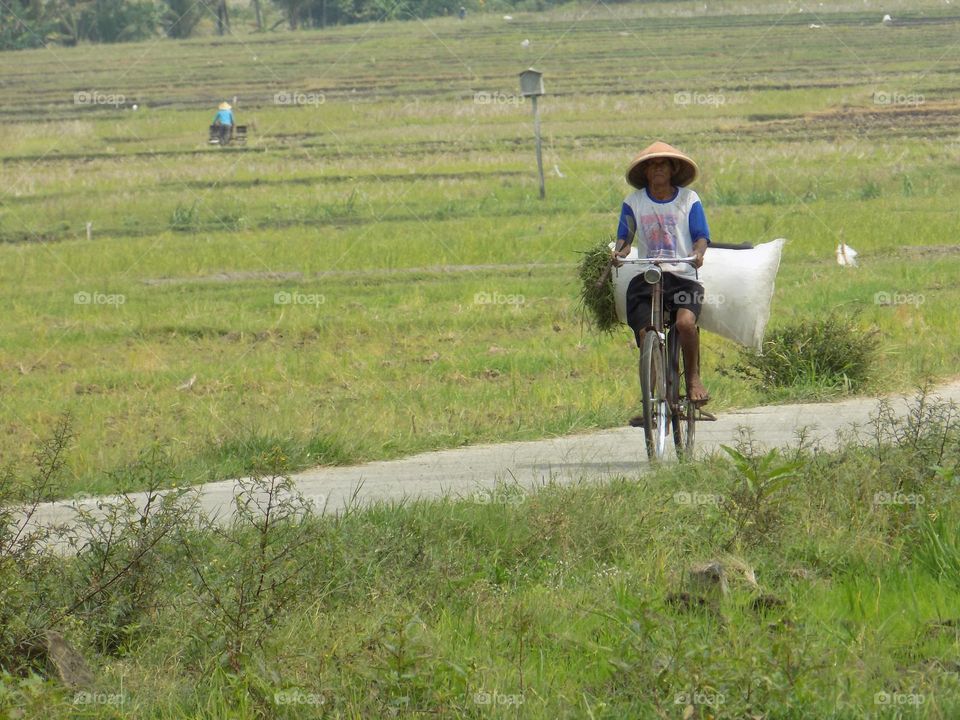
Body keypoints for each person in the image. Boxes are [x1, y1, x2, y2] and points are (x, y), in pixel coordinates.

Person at [611, 140, 711, 408]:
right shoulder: (634, 202)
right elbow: (625, 237)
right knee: (646, 335)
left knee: (686, 324)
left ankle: (693, 379)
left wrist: (698, 253)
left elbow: (701, 236)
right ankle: (650, 400)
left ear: (672, 168)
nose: (657, 169)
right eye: (652, 165)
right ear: (645, 173)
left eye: (662, 164)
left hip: (682, 275)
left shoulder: (689, 199)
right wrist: (618, 253)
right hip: (649, 274)